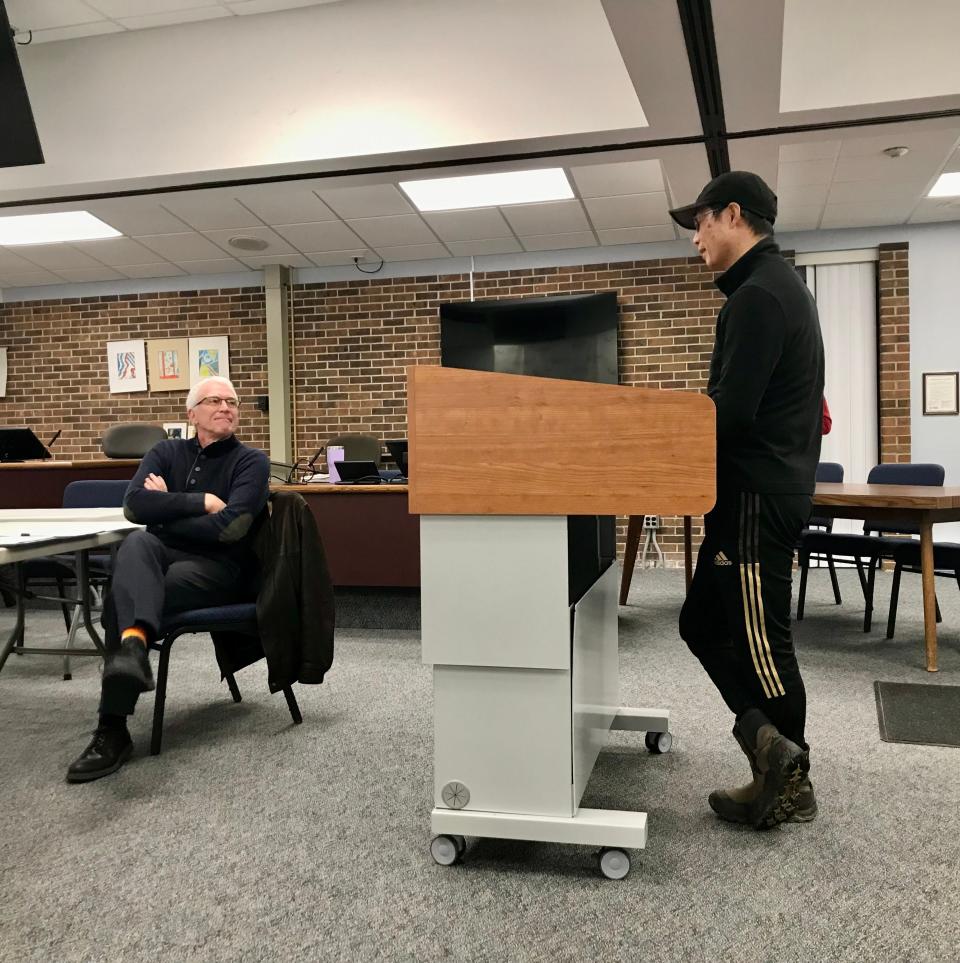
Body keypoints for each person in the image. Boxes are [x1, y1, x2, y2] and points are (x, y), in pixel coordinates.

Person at [669, 171, 825, 829]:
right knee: (701, 622)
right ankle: (770, 749)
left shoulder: (760, 295)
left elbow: (730, 416)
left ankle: (790, 785)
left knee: (764, 644)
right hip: (748, 493)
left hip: (759, 496)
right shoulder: (770, 288)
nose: (696, 237)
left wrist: (667, 430)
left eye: (700, 221)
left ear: (734, 214)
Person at [67, 376, 270, 782]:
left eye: (232, 402)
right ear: (191, 413)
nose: (227, 407)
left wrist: (165, 510)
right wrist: (203, 503)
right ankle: (135, 649)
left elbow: (232, 529)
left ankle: (112, 727)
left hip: (218, 570)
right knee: (134, 547)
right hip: (159, 557)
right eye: (215, 400)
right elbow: (134, 507)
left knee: (123, 595)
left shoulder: (251, 461)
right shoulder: (165, 451)